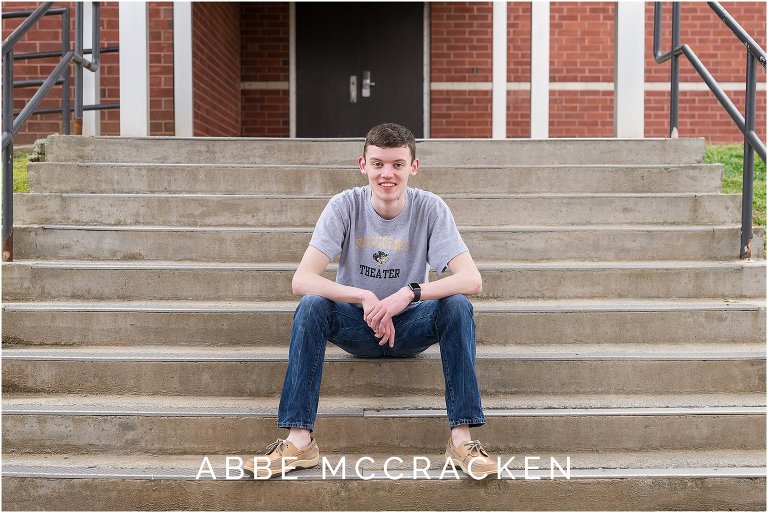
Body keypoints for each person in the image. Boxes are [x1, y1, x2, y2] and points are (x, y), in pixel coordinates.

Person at [244, 123, 499, 479]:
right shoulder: (344, 206)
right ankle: (299, 440)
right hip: (356, 325)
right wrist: (363, 296)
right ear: (363, 164)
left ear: (414, 167)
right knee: (311, 306)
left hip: (410, 324)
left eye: (397, 164)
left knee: (457, 305)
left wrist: (407, 294)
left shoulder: (430, 209)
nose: (387, 174)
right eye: (378, 164)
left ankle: (461, 439)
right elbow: (302, 279)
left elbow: (471, 279)